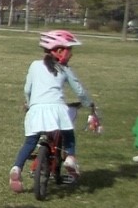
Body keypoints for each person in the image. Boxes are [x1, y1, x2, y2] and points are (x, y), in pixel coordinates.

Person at [8, 30, 93, 192]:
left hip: (36, 109)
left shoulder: (34, 65)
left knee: (30, 142)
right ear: (59, 51)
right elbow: (80, 91)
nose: (71, 54)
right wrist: (90, 105)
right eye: (69, 50)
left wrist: (29, 103)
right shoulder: (64, 69)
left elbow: (28, 88)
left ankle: (17, 168)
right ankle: (69, 158)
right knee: (68, 135)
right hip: (57, 110)